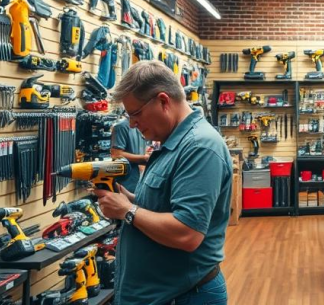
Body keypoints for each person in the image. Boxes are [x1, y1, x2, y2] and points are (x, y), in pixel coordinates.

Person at [95, 61, 233, 305]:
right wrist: (132, 200)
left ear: (163, 101)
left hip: (184, 296)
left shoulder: (199, 147)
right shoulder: (171, 143)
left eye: (135, 113)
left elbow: (187, 233)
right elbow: (167, 207)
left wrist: (127, 211)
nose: (132, 124)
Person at [110, 115, 148, 194]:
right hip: (126, 179)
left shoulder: (142, 126)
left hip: (138, 178)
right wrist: (144, 158)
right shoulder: (121, 127)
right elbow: (116, 154)